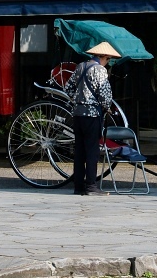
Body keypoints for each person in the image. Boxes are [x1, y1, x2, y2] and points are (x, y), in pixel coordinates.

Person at [65, 40, 120, 196]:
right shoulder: (100, 70)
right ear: (103, 56)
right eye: (108, 59)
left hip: (77, 114)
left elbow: (68, 88)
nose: (108, 62)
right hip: (92, 115)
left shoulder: (80, 67)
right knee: (92, 151)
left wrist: (78, 99)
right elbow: (105, 95)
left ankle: (78, 186)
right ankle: (91, 186)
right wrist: (107, 107)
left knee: (80, 151)